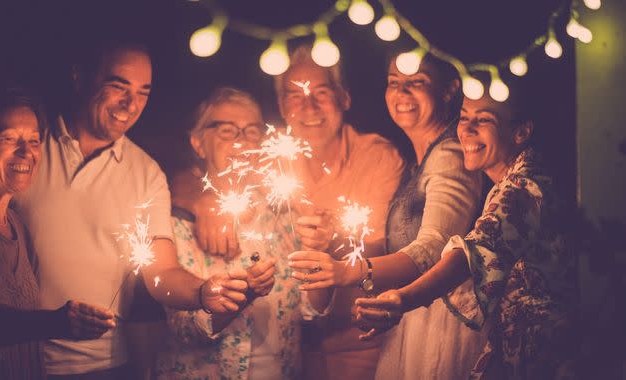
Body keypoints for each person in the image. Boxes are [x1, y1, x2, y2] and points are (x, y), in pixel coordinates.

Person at [12, 40, 249, 379]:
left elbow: (161, 272)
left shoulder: (146, 173)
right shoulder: (29, 147)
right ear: (80, 77)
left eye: (143, 92)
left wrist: (201, 291)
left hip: (103, 366)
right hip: (16, 358)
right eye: (118, 86)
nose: (130, 103)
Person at [355, 80, 576, 378]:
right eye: (464, 117)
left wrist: (402, 299)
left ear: (521, 131)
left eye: (484, 119)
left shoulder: (524, 186)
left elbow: (474, 254)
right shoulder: (511, 179)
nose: (468, 130)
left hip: (542, 356)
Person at [289, 53, 486, 379]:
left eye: (417, 82)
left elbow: (433, 247)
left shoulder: (450, 156)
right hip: (414, 319)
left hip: (442, 324)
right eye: (394, 83)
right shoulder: (423, 158)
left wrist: (348, 271)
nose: (402, 93)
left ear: (449, 89)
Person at [155, 87, 332, 379]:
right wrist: (245, 293)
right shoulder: (179, 226)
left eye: (252, 132)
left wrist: (320, 253)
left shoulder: (284, 218)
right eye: (227, 131)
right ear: (198, 143)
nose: (242, 141)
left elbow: (311, 311)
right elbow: (186, 330)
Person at [0, 88, 116, 380]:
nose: (26, 152)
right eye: (9, 138)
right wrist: (55, 323)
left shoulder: (18, 227)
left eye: (34, 141)